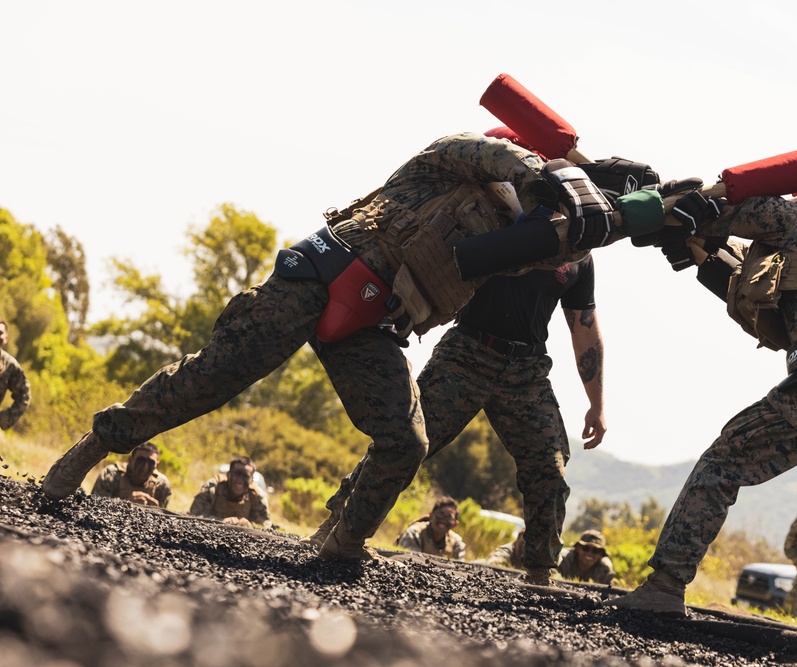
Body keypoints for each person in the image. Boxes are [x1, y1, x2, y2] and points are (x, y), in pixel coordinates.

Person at [40, 131, 661, 562]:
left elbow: (570, 255)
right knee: (209, 379)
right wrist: (555, 176)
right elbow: (502, 159)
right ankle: (94, 445)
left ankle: (339, 548)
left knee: (406, 441)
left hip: (369, 325)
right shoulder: (450, 160)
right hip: (316, 279)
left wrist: (636, 213)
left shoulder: (517, 239)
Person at [609, 137, 797, 651]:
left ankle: (664, 587)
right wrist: (704, 255)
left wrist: (678, 208)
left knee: (722, 465)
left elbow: (719, 213)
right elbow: (781, 300)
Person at [302, 251, 607, 585]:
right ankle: (336, 529)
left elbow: (584, 327)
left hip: (526, 370)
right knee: (406, 444)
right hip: (466, 354)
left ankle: (538, 573)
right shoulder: (514, 216)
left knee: (549, 471)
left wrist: (597, 404)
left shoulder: (581, 255)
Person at [189, 456, 271, 529]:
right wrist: (221, 521)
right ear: (228, 475)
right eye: (237, 474)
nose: (240, 480)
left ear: (251, 480)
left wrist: (249, 525)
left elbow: (265, 525)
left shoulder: (256, 495)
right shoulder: (213, 487)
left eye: (245, 476)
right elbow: (195, 515)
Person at [91, 441, 172, 509]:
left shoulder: (161, 484)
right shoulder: (110, 475)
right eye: (140, 461)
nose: (145, 468)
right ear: (130, 460)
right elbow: (95, 507)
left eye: (151, 463)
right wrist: (125, 503)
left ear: (157, 465)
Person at [395, 496, 466, 560]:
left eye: (449, 517)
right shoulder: (414, 533)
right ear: (431, 516)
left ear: (455, 524)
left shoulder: (456, 543)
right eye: (440, 514)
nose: (443, 520)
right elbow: (409, 560)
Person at [0, 320, 30, 432]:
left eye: (0, 333)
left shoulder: (10, 366)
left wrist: (5, 418)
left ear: (6, 338)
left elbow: (24, 394)